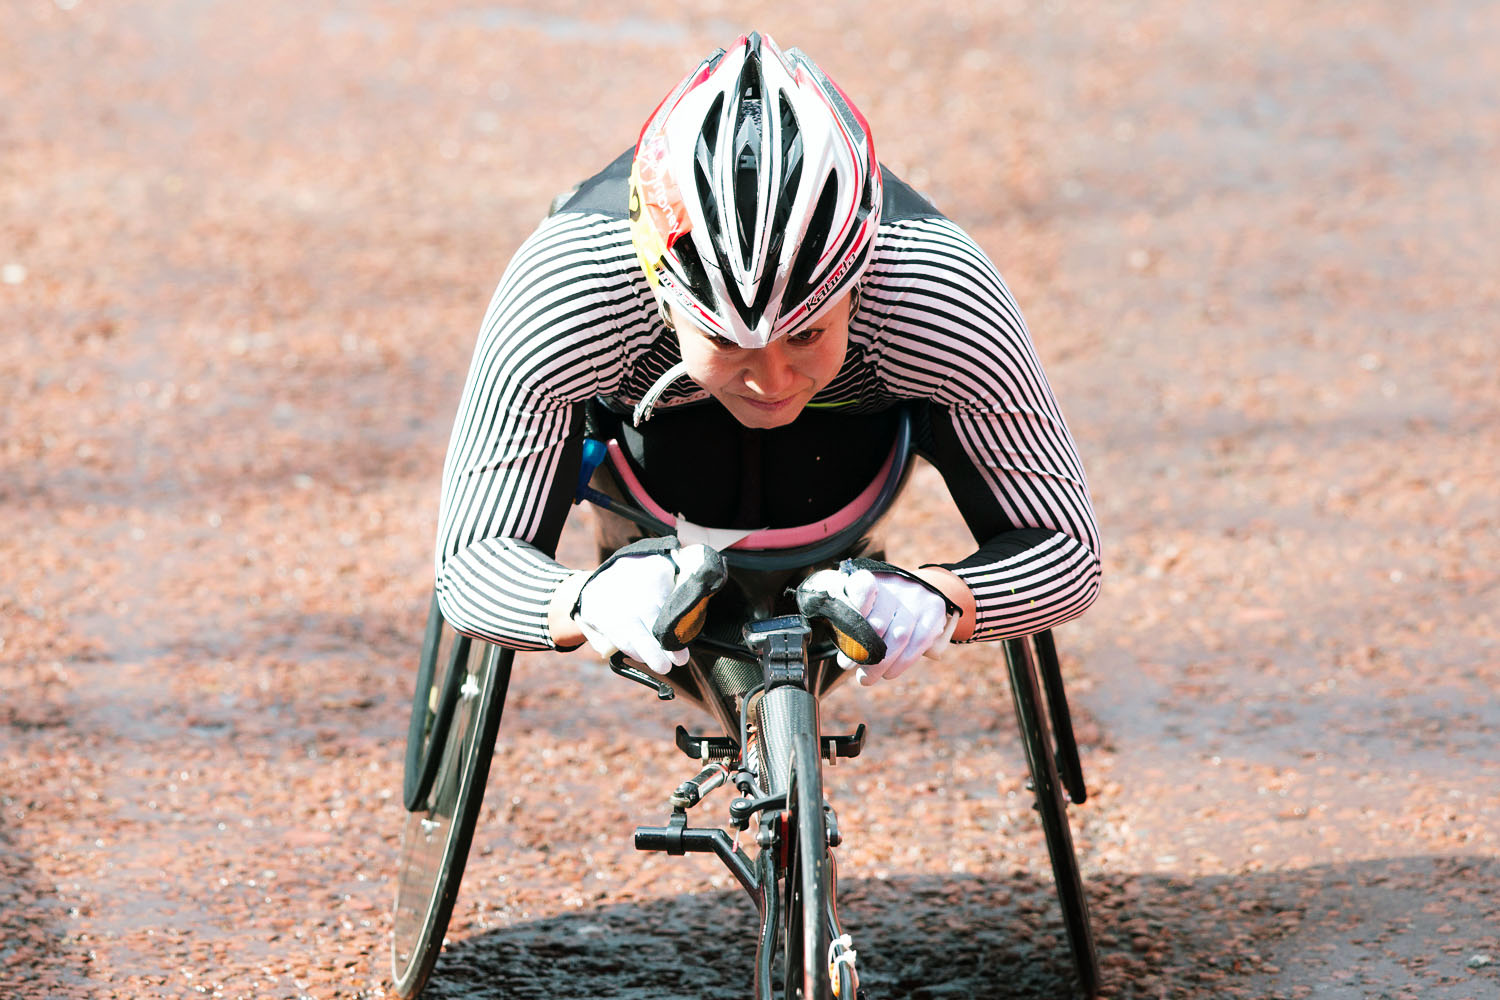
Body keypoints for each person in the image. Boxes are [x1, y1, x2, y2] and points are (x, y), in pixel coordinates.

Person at [434, 32, 1100, 685]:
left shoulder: (935, 293)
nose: (770, 381)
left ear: (863, 282)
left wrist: (941, 597)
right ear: (659, 296)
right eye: (725, 339)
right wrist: (583, 600)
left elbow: (1065, 551)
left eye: (806, 332)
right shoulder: (574, 288)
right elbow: (468, 570)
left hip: (851, 437)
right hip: (652, 440)